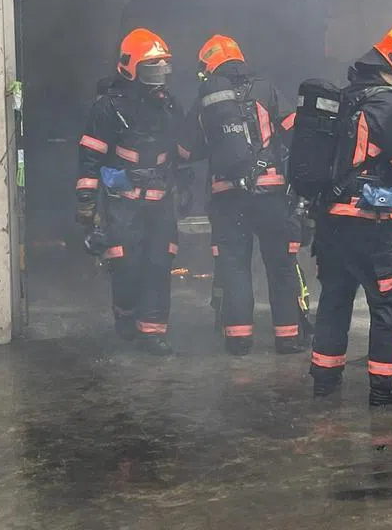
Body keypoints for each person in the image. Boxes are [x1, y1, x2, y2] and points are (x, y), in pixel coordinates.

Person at [308, 21, 392, 405]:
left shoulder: (346, 97)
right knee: (387, 303)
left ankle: (324, 377)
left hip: (329, 222)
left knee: (335, 297)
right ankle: (389, 386)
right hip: (370, 225)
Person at [180, 35, 308, 356]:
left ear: (208, 65)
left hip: (227, 198)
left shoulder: (206, 97)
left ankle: (238, 340)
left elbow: (185, 149)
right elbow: (297, 134)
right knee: (280, 265)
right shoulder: (267, 89)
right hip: (271, 194)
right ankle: (288, 338)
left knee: (235, 266)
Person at [76, 28, 192, 357]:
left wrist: (184, 186)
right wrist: (86, 201)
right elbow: (90, 158)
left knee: (159, 264)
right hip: (121, 203)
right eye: (150, 70)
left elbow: (180, 153)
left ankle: (152, 332)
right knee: (126, 266)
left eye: (162, 70)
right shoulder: (108, 109)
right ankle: (125, 314)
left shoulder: (170, 107)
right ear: (129, 68)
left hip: (160, 201)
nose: (158, 79)